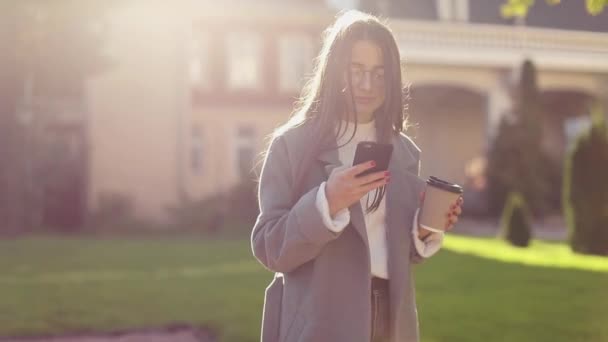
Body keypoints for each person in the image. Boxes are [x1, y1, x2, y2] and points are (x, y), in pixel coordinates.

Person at [251, 10, 463, 342]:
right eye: (357, 71)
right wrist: (326, 203)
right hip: (320, 324)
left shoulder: (404, 152)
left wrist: (423, 230)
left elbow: (390, 252)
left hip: (391, 323)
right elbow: (269, 247)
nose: (368, 85)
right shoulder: (292, 145)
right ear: (335, 71)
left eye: (379, 74)